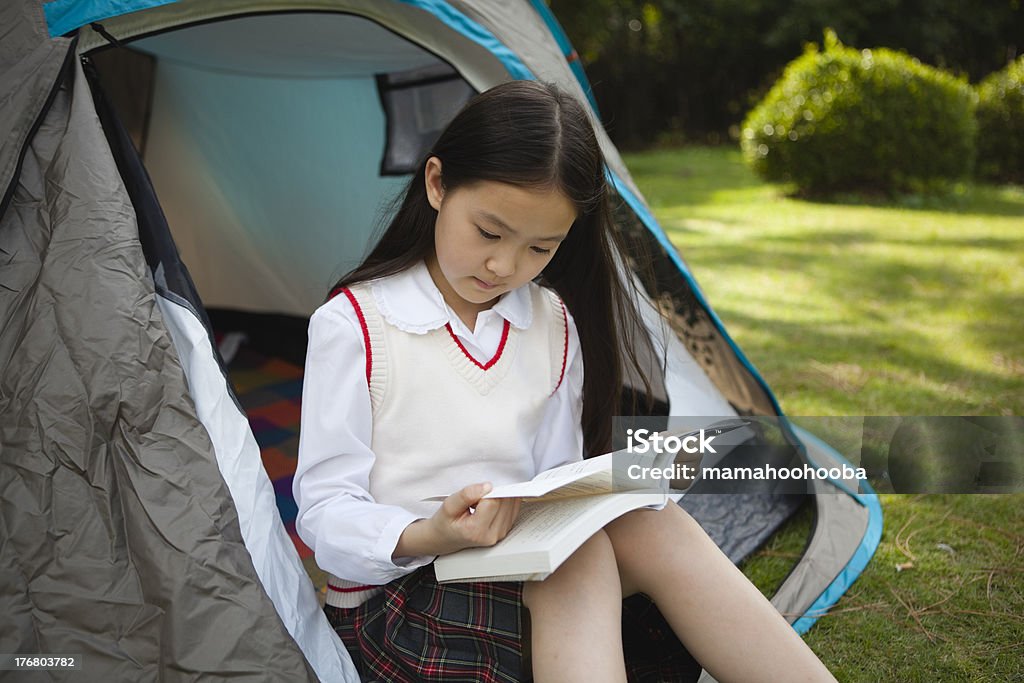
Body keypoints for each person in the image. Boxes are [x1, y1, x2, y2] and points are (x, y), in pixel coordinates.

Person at [293, 80, 837, 683]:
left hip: (515, 573)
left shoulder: (551, 322)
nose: (506, 267)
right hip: (396, 602)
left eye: (540, 248)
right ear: (437, 184)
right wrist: (430, 533)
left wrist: (608, 492)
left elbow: (557, 487)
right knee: (577, 564)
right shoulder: (356, 325)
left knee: (646, 526)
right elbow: (323, 515)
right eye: (490, 233)